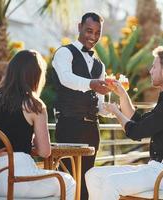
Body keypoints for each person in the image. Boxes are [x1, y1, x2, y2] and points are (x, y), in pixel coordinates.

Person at [85, 45, 163, 200]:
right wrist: (122, 94)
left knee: (110, 183)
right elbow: (139, 121)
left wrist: (116, 112)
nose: (150, 71)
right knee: (93, 174)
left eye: (154, 66)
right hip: (155, 169)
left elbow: (135, 132)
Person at [0, 50, 76, 199]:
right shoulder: (34, 105)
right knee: (67, 182)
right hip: (19, 179)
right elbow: (44, 152)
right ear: (35, 76)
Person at [51, 12, 110, 200]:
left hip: (92, 129)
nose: (93, 37)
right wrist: (91, 84)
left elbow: (100, 105)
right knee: (67, 180)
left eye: (97, 32)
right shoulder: (64, 53)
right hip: (69, 125)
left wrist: (113, 109)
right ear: (79, 27)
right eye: (89, 30)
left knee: (87, 181)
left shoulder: (100, 66)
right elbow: (66, 79)